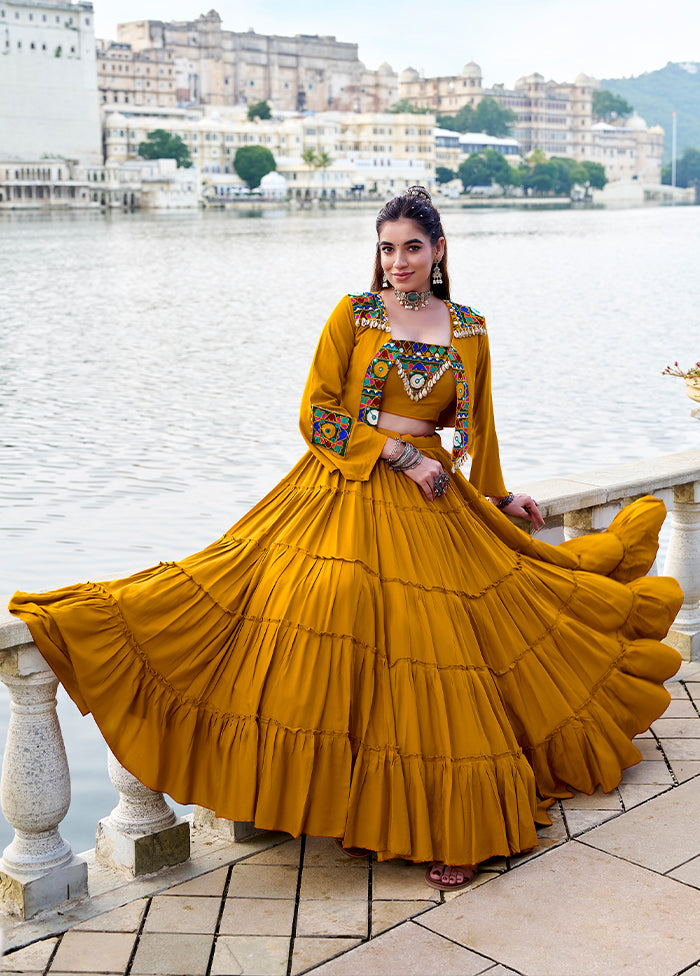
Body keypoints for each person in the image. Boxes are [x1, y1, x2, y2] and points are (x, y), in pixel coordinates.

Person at [8, 186, 683, 892]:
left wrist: (495, 495)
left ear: (439, 250)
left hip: (435, 504)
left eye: (412, 248)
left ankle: (453, 824)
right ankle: (357, 808)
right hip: (345, 490)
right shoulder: (354, 315)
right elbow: (316, 414)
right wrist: (399, 455)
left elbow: (480, 426)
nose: (398, 261)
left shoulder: (471, 328)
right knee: (315, 620)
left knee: (435, 657)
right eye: (387, 248)